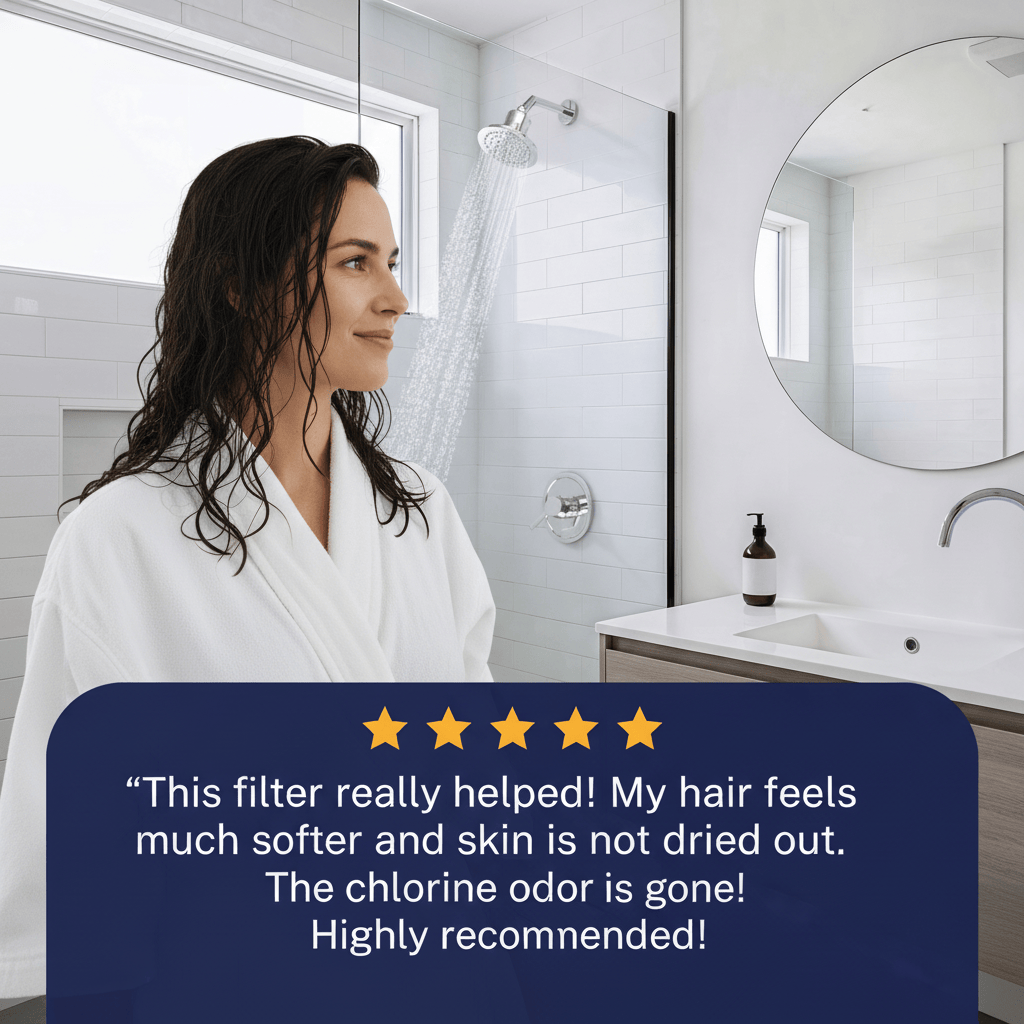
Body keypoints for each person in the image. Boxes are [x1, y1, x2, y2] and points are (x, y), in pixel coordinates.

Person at [0, 137, 496, 998]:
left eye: (392, 263)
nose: (395, 297)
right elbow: (83, 839)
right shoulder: (121, 536)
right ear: (239, 283)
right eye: (355, 263)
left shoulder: (419, 509)